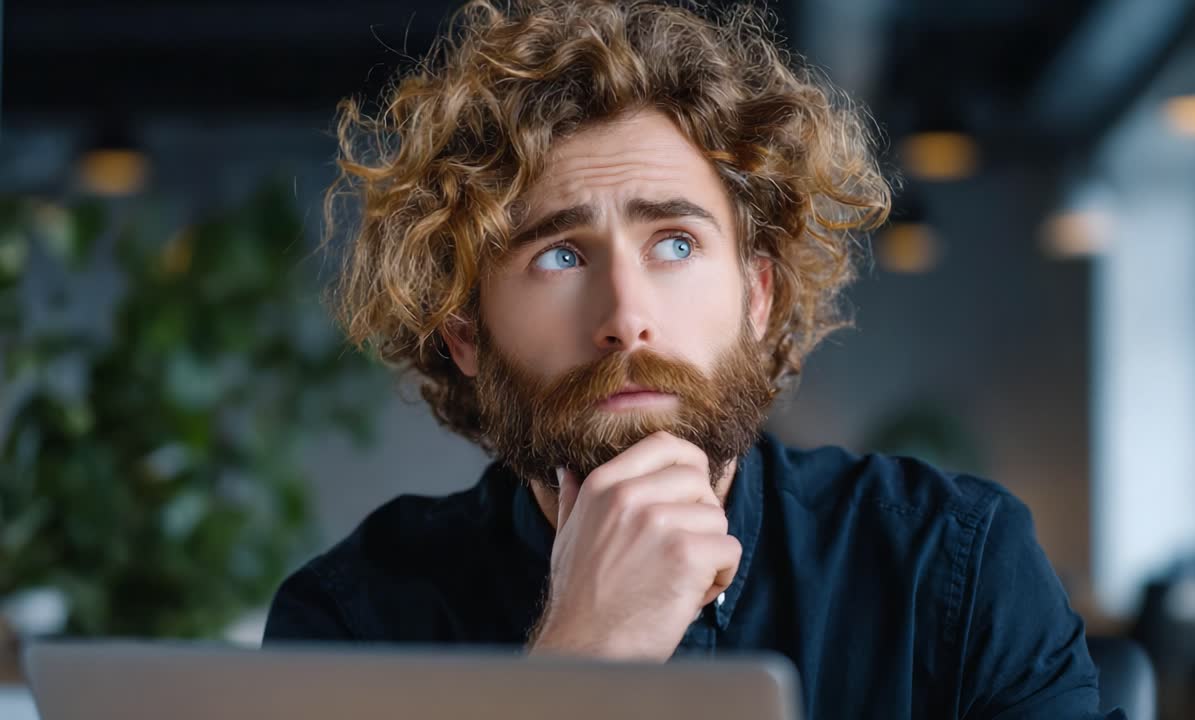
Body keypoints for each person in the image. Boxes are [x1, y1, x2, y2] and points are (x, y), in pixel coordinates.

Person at [265, 1, 1120, 717]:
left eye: (674, 244)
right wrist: (582, 658)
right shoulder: (353, 622)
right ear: (464, 334)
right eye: (559, 256)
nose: (626, 319)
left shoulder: (955, 566)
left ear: (758, 296)